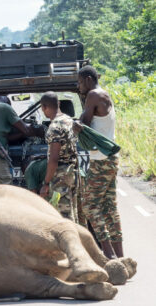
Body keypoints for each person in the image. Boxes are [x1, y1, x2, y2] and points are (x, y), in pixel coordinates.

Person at [78, 65, 123, 259]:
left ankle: (108, 254)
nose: (78, 86)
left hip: (101, 161)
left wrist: (76, 123)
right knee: (109, 206)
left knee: (89, 205)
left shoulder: (93, 95)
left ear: (88, 79)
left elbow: (83, 124)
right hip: (110, 158)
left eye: (79, 82)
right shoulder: (103, 94)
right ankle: (121, 257)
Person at [0, 95, 43, 187]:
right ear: (8, 105)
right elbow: (26, 130)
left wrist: (21, 134)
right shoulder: (5, 107)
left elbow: (6, 137)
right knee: (4, 194)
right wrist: (41, 131)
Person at [39, 92, 78, 223]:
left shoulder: (54, 127)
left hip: (60, 176)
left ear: (44, 107)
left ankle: (70, 242)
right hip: (73, 172)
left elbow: (54, 159)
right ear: (59, 104)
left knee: (64, 216)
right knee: (73, 211)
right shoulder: (69, 120)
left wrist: (46, 183)